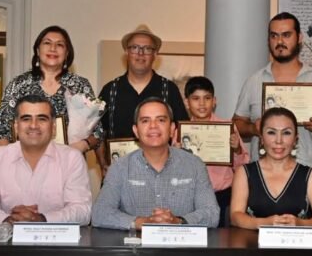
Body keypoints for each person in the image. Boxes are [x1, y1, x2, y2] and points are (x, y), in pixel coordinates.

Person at [233, 12, 312, 174]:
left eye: (286, 35)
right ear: (268, 40)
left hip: (307, 172)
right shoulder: (254, 81)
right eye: (274, 36)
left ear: (299, 37)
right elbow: (237, 123)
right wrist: (252, 128)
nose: (279, 41)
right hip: (262, 173)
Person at [91, 97, 219, 229]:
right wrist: (141, 222)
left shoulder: (195, 165)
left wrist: (178, 222)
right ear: (136, 131)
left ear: (172, 129)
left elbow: (211, 213)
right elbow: (100, 213)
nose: (153, 126)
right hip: (136, 242)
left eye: (161, 120)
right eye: (145, 121)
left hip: (182, 241)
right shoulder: (119, 168)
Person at [0, 95, 92, 227]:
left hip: (55, 239)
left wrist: (42, 219)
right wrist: (8, 220)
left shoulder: (72, 159)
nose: (34, 125)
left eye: (42, 119)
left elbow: (82, 210)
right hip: (6, 238)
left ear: (54, 127)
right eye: (26, 119)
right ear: (16, 126)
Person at [0, 25, 102, 153]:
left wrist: (83, 145)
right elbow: (0, 129)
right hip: (25, 161)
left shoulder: (79, 85)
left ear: (67, 53)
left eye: (59, 45)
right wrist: (8, 156)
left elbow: (97, 131)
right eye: (47, 43)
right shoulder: (18, 84)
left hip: (69, 160)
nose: (53, 48)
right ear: (38, 50)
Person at [98, 24, 189, 169]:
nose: (140, 53)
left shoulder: (169, 89)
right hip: (119, 173)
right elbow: (98, 132)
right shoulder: (109, 90)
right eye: (135, 48)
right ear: (126, 52)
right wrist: (103, 165)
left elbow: (182, 130)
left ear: (155, 54)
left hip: (162, 172)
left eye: (147, 49)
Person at [230, 107, 312, 229]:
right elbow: (235, 216)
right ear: (261, 137)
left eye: (286, 133)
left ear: (295, 139)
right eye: (271, 132)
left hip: (297, 240)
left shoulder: (310, 175)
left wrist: (300, 223)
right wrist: (266, 223)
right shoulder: (244, 173)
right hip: (253, 241)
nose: (279, 140)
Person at [182, 76, 248, 227]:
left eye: (207, 98)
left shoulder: (228, 128)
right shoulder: (180, 132)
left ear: (214, 101)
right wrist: (177, 155)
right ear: (186, 102)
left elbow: (243, 167)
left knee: (222, 238)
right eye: (195, 98)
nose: (202, 103)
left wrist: (237, 149)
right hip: (191, 197)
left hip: (223, 196)